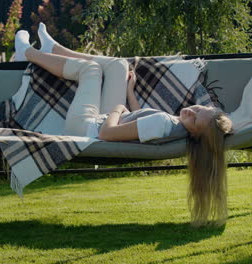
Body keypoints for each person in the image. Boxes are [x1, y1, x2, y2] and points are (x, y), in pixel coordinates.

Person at [15, 23, 233, 226]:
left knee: (90, 71)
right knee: (119, 65)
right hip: (102, 120)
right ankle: (53, 48)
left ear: (195, 135)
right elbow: (140, 119)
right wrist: (129, 91)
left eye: (195, 119)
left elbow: (107, 134)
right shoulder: (175, 126)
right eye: (199, 109)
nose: (191, 111)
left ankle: (26, 53)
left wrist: (118, 107)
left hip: (86, 127)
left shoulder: (164, 124)